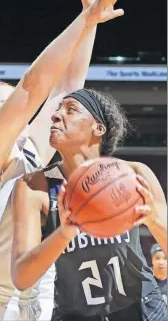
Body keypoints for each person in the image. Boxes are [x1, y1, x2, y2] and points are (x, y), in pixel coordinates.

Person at [0, 0, 133, 321]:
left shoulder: (31, 149)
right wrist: (83, 20)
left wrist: (91, 20)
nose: (16, 113)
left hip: (33, 303)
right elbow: (32, 90)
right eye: (1, 107)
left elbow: (69, 87)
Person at [11, 88, 167, 321]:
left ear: (98, 128)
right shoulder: (34, 186)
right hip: (75, 314)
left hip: (143, 309)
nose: (55, 116)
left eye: (70, 109)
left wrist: (154, 219)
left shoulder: (134, 174)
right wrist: (64, 233)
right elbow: (21, 277)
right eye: (56, 110)